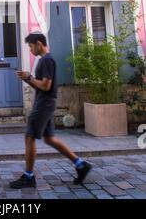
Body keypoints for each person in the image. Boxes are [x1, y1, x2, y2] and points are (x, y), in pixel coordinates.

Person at [9, 32, 92, 189]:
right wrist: (27, 78)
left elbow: (46, 86)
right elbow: (41, 85)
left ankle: (29, 176)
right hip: (45, 102)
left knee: (29, 136)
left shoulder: (47, 60)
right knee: (49, 138)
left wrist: (29, 77)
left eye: (31, 46)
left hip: (44, 104)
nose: (31, 50)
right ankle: (81, 165)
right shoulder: (44, 60)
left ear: (39, 44)